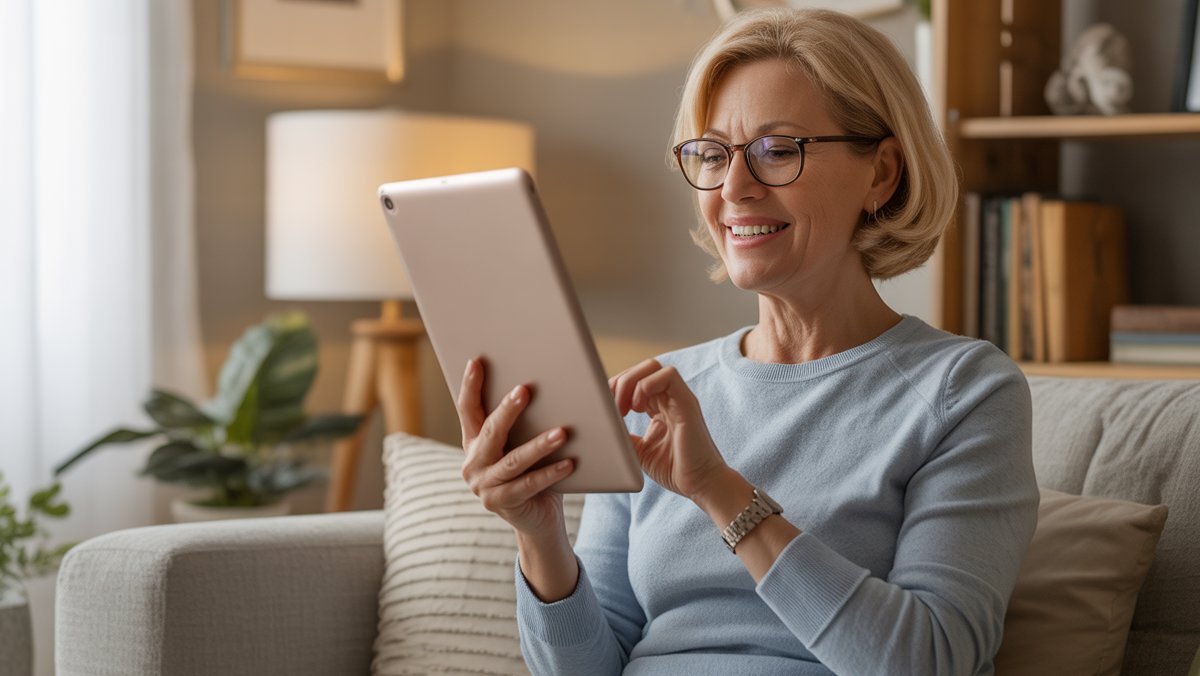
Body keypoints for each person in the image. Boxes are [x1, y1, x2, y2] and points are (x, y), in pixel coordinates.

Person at [456, 8, 1038, 676]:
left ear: (881, 173)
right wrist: (540, 538)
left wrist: (721, 492)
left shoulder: (963, 391)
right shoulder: (658, 392)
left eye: (777, 150)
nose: (734, 188)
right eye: (712, 154)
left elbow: (928, 661)